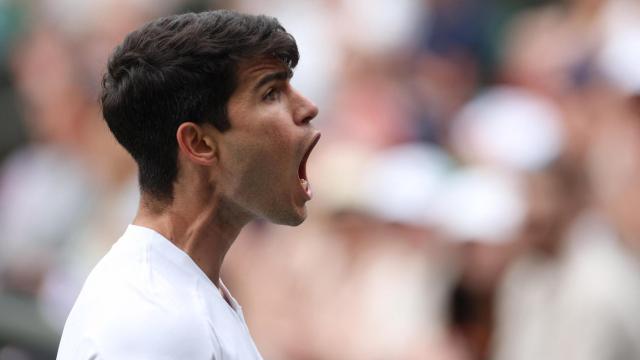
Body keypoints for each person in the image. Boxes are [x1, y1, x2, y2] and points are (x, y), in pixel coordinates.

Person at [57, 9, 320, 359]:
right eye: (271, 93)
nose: (308, 107)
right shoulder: (154, 318)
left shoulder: (177, 294)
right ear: (199, 144)